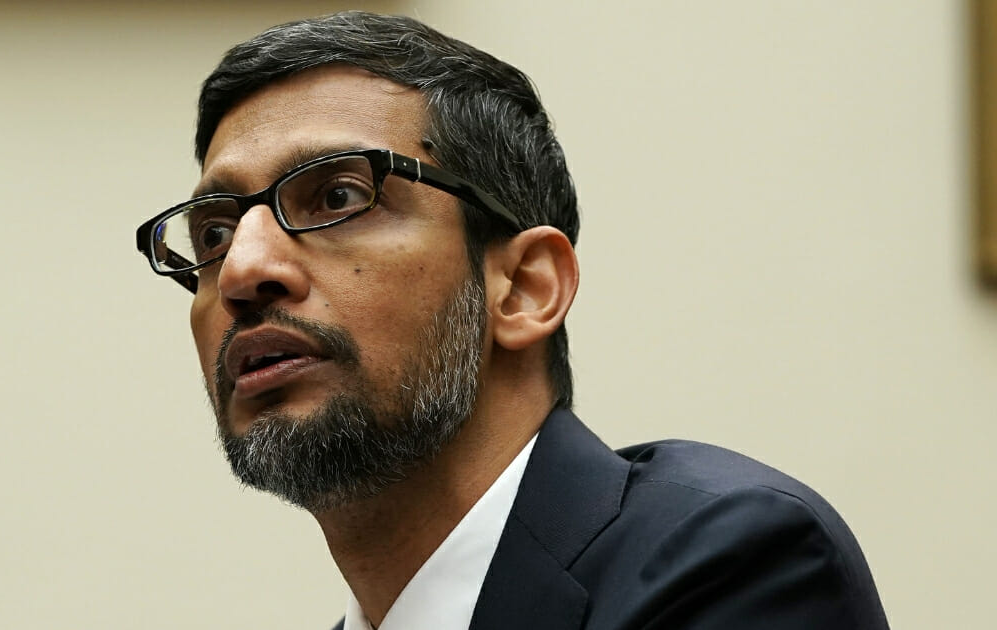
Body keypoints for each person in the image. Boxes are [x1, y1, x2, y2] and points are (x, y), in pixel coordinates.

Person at [135, 11, 889, 630]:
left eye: (336, 197)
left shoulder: (729, 568)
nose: (239, 271)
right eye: (213, 232)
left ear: (525, 289)